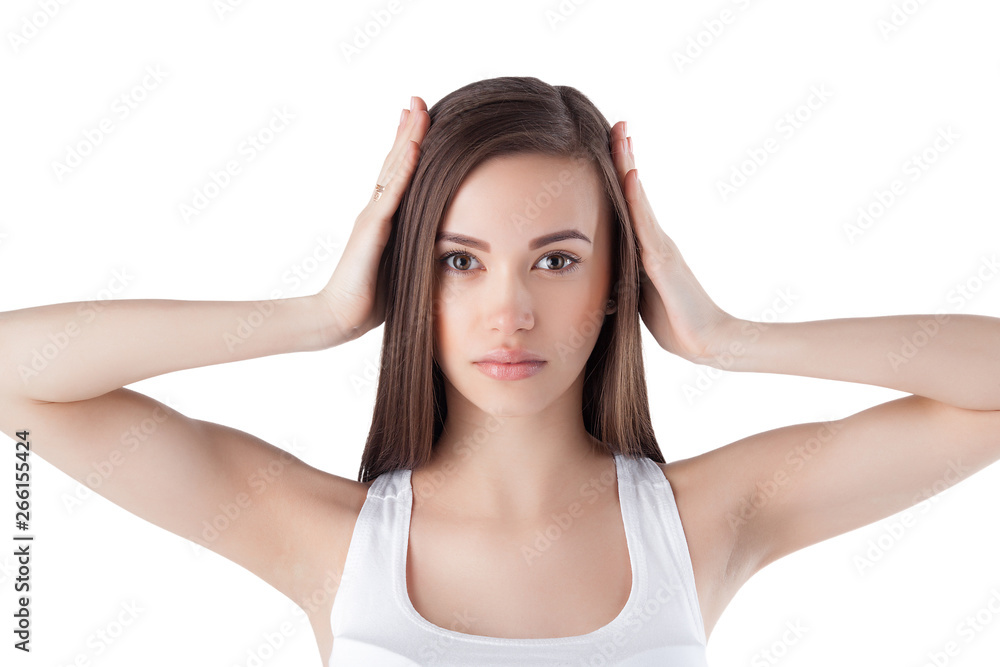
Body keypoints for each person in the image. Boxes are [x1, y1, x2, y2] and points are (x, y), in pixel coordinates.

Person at [2, 76, 999, 666]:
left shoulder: (706, 519)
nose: (509, 312)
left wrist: (724, 338)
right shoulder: (322, 537)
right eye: (458, 260)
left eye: (556, 260)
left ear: (620, 280)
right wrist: (313, 316)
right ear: (407, 277)